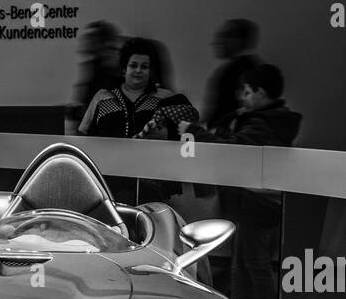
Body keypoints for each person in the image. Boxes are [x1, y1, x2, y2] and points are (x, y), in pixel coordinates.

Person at [180, 64, 301, 299]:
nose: (242, 97)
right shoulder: (270, 120)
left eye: (247, 92)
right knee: (245, 260)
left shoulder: (261, 123)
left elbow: (234, 150)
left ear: (262, 92)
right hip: (258, 203)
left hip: (256, 204)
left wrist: (195, 131)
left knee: (253, 262)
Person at [78, 37, 198, 202]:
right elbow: (84, 138)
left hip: (152, 184)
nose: (138, 71)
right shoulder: (102, 97)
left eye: (144, 67)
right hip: (107, 184)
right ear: (123, 70)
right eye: (133, 65)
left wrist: (167, 135)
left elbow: (188, 129)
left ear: (151, 71)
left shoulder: (165, 98)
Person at [65, 21, 122, 134]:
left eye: (92, 37)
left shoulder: (119, 71)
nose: (86, 41)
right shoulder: (94, 67)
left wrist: (78, 112)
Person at [203, 19, 260, 127]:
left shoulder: (231, 72)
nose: (217, 42)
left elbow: (222, 112)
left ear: (238, 40)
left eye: (225, 36)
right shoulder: (257, 67)